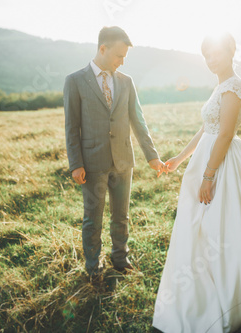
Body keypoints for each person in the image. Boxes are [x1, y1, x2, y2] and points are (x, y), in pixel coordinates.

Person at [152, 33, 241, 332]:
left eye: (215, 53)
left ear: (230, 52)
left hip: (223, 164)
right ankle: (201, 285)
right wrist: (179, 158)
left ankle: (230, 292)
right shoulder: (220, 87)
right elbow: (207, 129)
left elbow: (225, 134)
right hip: (208, 158)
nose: (211, 60)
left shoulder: (234, 87)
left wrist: (209, 175)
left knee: (221, 223)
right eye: (206, 55)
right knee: (199, 224)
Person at [64, 26, 165, 282]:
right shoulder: (75, 81)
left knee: (121, 216)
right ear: (102, 49)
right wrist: (76, 163)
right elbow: (71, 126)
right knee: (93, 220)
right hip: (92, 163)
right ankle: (94, 268)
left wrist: (151, 156)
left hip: (123, 162)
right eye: (119, 56)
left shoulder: (126, 82)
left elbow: (138, 120)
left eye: (124, 58)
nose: (121, 62)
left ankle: (120, 260)